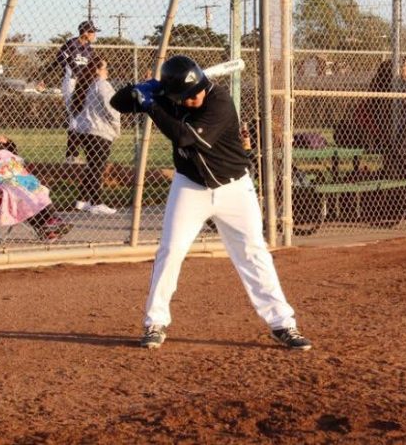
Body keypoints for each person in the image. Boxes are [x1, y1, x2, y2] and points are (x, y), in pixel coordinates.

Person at [110, 55, 311, 351]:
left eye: (197, 92)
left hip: (234, 188)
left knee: (253, 252)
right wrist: (141, 90)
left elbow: (185, 138)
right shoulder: (170, 97)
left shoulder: (220, 101)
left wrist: (151, 104)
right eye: (187, 96)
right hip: (190, 186)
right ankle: (155, 321)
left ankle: (283, 324)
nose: (194, 99)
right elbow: (118, 103)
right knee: (170, 250)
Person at [73, 55, 121, 215]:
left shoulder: (86, 85)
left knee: (92, 165)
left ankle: (82, 200)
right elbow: (112, 107)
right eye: (104, 68)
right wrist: (116, 125)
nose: (107, 71)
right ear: (97, 70)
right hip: (100, 130)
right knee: (97, 167)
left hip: (86, 130)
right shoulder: (102, 85)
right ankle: (96, 202)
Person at [54, 20, 100, 164]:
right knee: (75, 117)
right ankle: (71, 156)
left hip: (83, 84)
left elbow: (93, 65)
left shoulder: (89, 49)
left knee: (81, 117)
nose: (94, 35)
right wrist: (44, 78)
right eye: (92, 32)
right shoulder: (71, 44)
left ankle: (73, 155)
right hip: (71, 82)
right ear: (85, 32)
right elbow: (59, 60)